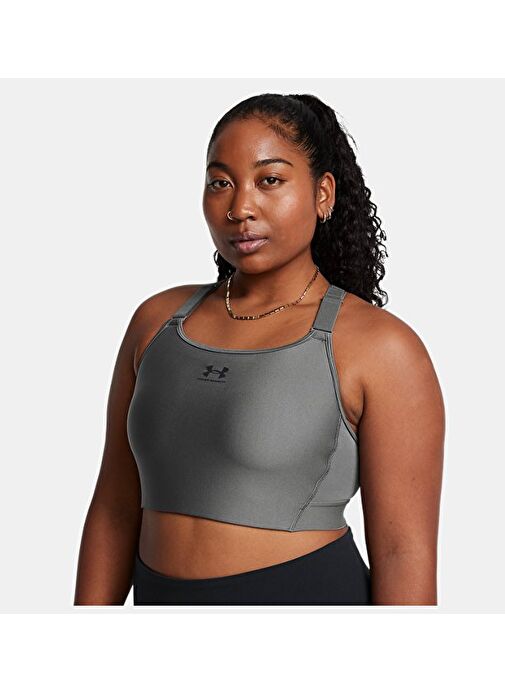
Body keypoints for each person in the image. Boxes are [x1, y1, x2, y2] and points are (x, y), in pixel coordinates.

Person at [74, 93, 445, 606]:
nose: (240, 208)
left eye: (269, 180)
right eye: (220, 182)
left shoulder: (380, 347)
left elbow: (404, 551)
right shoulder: (156, 322)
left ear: (323, 194)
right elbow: (114, 508)